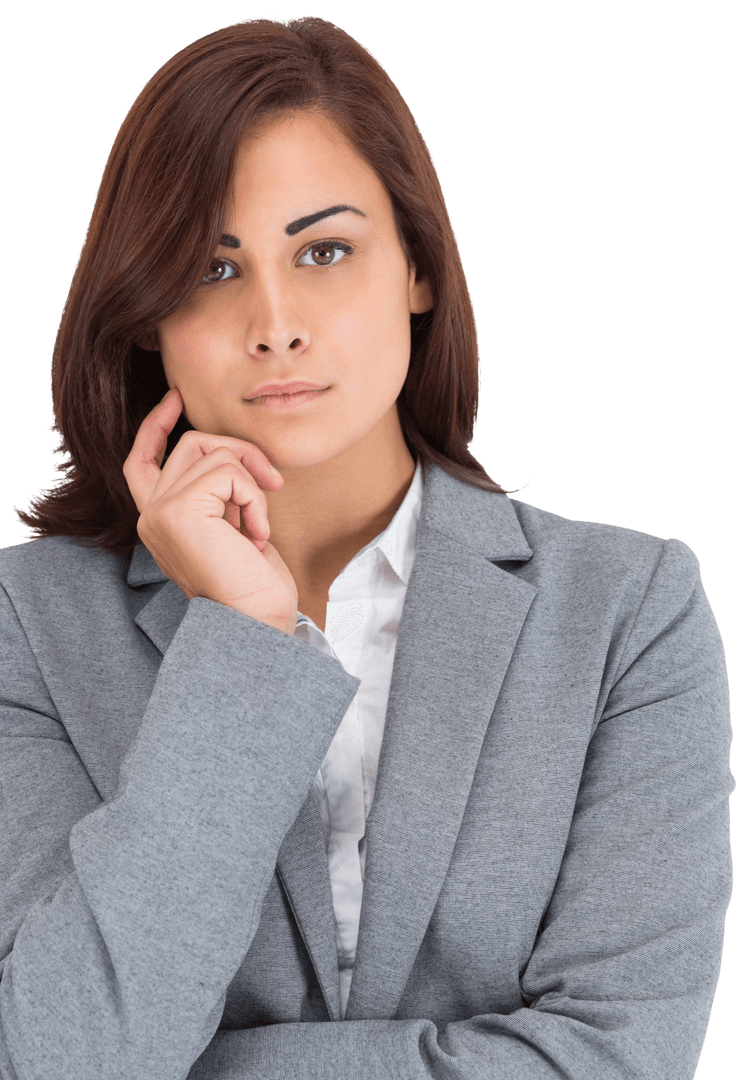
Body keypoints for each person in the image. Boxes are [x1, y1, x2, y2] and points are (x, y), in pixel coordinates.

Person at [0, 15, 733, 1080]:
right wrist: (240, 642)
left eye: (325, 251)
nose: (276, 322)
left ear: (418, 271)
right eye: (211, 268)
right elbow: (67, 1058)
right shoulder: (29, 622)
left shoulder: (628, 610)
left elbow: (616, 1060)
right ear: (147, 316)